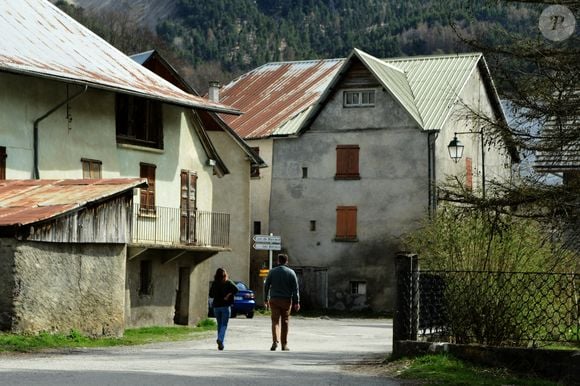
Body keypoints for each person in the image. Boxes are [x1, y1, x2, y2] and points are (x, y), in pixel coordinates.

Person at [264, 253, 300, 351]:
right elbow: (295, 289)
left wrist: (265, 299)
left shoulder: (272, 272)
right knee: (285, 321)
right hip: (286, 300)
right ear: (286, 261)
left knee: (275, 321)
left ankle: (275, 341)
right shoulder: (291, 273)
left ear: (278, 261)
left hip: (274, 299)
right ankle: (284, 344)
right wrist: (297, 302)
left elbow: (266, 286)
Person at [209, 267, 238, 350]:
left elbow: (211, 295)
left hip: (216, 306)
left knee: (219, 325)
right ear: (225, 274)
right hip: (225, 306)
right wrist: (229, 295)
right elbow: (236, 289)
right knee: (224, 325)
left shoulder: (214, 283)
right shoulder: (228, 282)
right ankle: (220, 339)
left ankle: (220, 344)